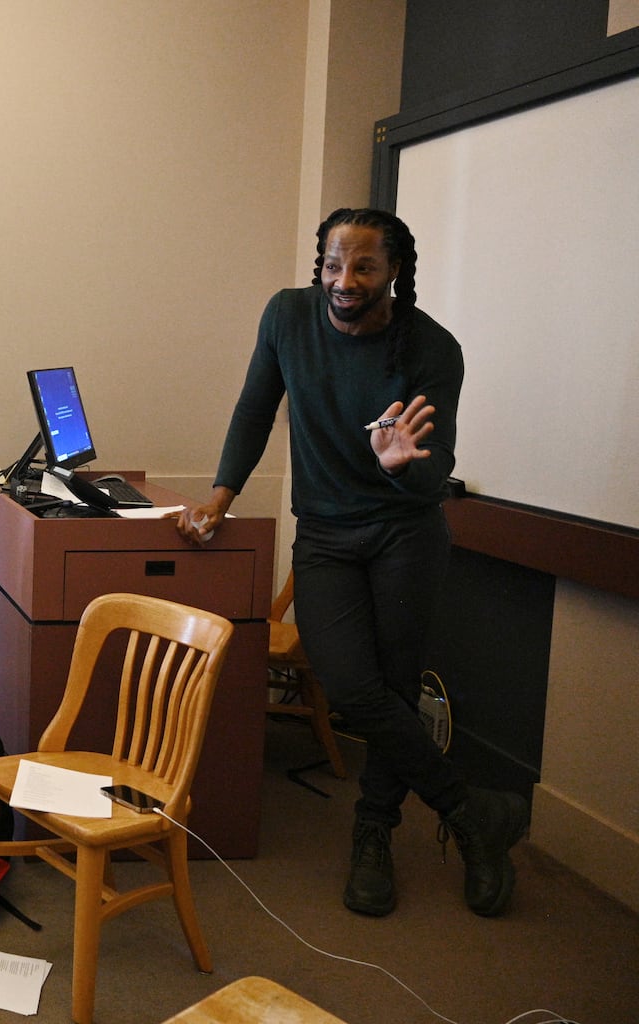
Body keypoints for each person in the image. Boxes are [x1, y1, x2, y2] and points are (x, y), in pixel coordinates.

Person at [174, 208, 529, 918]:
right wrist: (220, 496)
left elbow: (434, 478)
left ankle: (374, 834)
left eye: (364, 267)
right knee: (351, 688)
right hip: (327, 536)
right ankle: (470, 811)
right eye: (334, 264)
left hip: (406, 534)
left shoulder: (433, 350)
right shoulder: (287, 317)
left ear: (394, 271)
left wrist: (401, 467)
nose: (344, 281)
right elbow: (254, 410)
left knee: (394, 689)